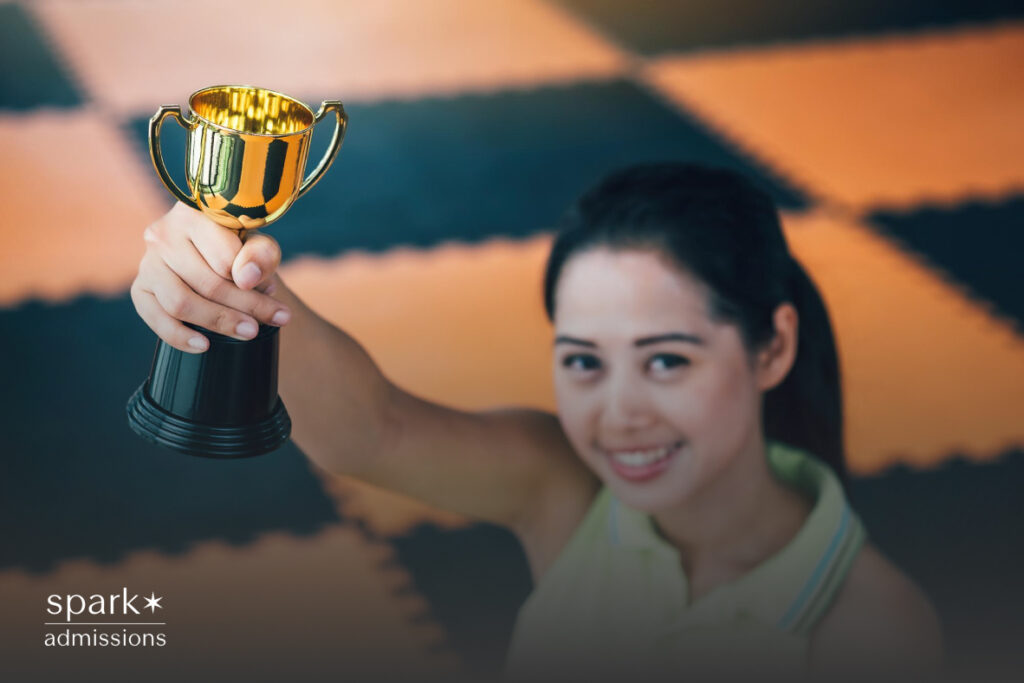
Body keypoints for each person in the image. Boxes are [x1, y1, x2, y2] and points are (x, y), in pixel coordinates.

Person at [131, 163, 942, 681]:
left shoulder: (873, 628)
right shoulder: (562, 483)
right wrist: (220, 276)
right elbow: (368, 431)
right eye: (585, 360)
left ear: (773, 346)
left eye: (666, 360)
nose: (618, 415)